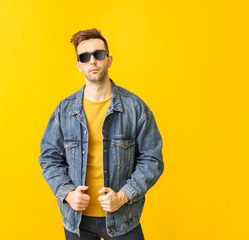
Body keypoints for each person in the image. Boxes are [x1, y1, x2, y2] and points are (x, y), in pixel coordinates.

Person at [38, 28, 164, 240]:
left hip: (124, 218)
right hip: (78, 221)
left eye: (98, 54)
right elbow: (49, 158)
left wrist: (123, 196)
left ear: (109, 59)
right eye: (85, 57)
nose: (92, 61)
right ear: (79, 65)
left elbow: (152, 159)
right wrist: (68, 194)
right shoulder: (64, 111)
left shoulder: (135, 108)